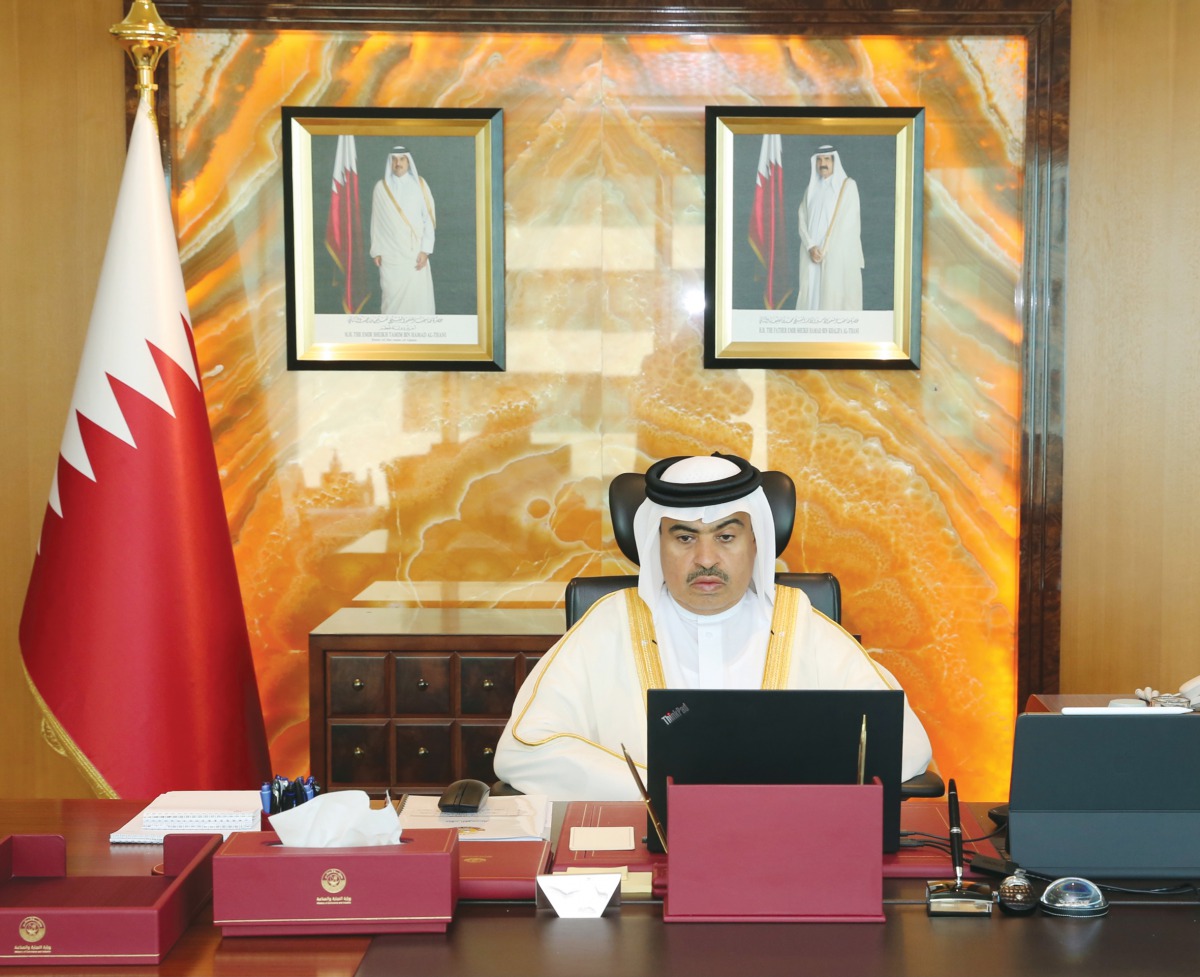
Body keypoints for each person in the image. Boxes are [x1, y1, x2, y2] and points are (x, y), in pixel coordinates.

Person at [493, 453, 932, 800]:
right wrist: (664, 793)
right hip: (644, 848)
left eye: (725, 536)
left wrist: (772, 794)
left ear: (755, 542)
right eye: (684, 537)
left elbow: (905, 744)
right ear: (655, 544)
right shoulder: (608, 626)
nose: (705, 559)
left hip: (782, 843)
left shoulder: (802, 626)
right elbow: (523, 752)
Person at [795, 145, 864, 311]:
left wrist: (824, 251)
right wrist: (811, 246)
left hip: (834, 259)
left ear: (834, 161)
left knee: (833, 303)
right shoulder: (810, 190)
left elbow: (849, 226)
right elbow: (801, 219)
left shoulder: (848, 187)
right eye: (819, 160)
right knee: (811, 301)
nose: (822, 163)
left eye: (827, 159)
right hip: (812, 255)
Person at [369, 146, 436, 314]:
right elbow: (376, 222)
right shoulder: (381, 188)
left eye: (402, 159)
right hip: (390, 256)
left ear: (408, 161)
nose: (398, 163)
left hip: (415, 254)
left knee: (417, 300)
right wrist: (376, 251)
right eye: (394, 159)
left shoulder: (420, 185)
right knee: (391, 303)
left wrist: (426, 250)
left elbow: (428, 219)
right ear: (390, 162)